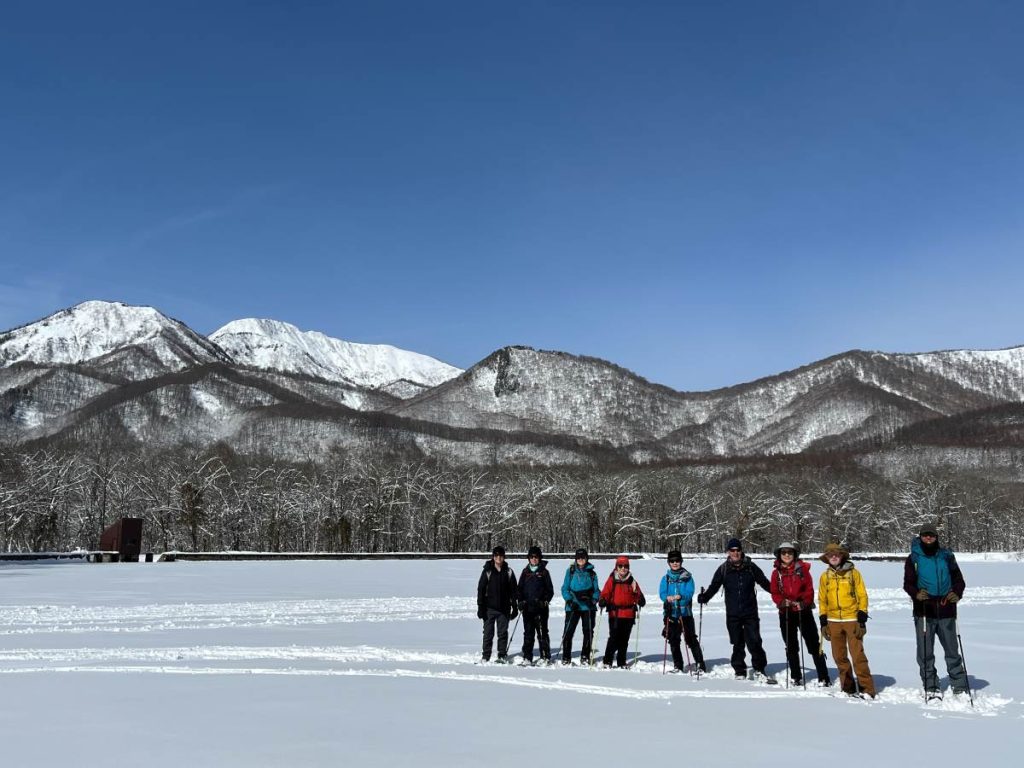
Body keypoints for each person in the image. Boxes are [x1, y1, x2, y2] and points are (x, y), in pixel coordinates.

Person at [903, 522, 968, 698]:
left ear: (936, 536)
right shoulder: (913, 558)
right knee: (925, 652)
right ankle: (931, 685)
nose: (928, 537)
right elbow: (907, 583)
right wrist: (917, 593)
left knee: (952, 651)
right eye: (925, 535)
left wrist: (957, 593)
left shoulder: (946, 555)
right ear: (921, 536)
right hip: (924, 610)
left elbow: (959, 580)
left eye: (931, 534)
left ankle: (960, 686)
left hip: (946, 609)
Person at [697, 538, 775, 683]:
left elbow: (764, 582)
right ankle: (740, 670)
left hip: (750, 612)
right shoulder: (723, 569)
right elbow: (714, 585)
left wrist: (778, 594)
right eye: (732, 550)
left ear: (741, 551)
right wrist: (705, 597)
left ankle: (759, 669)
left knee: (754, 641)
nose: (735, 553)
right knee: (737, 642)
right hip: (733, 613)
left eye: (737, 550)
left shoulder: (751, 567)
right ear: (728, 552)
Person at [818, 542, 875, 698]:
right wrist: (823, 621)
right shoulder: (825, 577)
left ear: (842, 556)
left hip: (852, 620)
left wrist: (862, 617)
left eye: (837, 554)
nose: (834, 557)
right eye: (830, 555)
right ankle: (848, 687)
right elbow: (822, 599)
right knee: (839, 657)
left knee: (857, 656)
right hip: (833, 621)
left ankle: (866, 689)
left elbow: (862, 595)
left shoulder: (853, 573)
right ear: (827, 558)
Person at [770, 541, 831, 686]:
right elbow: (775, 592)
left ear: (794, 554)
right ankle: (796, 676)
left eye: (789, 552)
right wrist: (781, 602)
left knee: (813, 645)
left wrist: (803, 603)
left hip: (803, 612)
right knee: (791, 646)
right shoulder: (776, 573)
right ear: (779, 555)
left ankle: (824, 676)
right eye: (783, 553)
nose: (786, 555)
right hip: (785, 612)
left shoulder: (803, 570)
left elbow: (809, 589)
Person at [659, 549, 706, 673]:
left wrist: (681, 597)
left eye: (677, 561)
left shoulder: (687, 577)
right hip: (671, 613)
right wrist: (666, 598)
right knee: (673, 640)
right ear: (668, 563)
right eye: (672, 561)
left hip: (685, 614)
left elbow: (689, 593)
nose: (675, 563)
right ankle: (678, 666)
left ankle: (700, 665)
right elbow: (662, 593)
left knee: (691, 639)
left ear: (681, 561)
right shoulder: (666, 578)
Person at [598, 555, 646, 667]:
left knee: (624, 640)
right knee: (613, 638)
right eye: (620, 566)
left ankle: (621, 662)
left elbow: (638, 595)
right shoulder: (612, 579)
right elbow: (605, 593)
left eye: (625, 566)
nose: (623, 568)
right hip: (615, 614)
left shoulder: (632, 581)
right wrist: (602, 600)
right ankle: (607, 661)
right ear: (616, 567)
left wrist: (640, 599)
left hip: (629, 615)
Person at [476, 545, 518, 663]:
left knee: (502, 633)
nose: (499, 558)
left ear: (504, 557)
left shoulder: (509, 572)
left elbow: (514, 591)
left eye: (501, 556)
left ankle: (502, 655)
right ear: (493, 557)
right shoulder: (488, 571)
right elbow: (481, 589)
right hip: (489, 608)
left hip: (504, 609)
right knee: (488, 633)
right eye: (496, 556)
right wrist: (480, 607)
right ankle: (486, 656)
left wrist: (515, 607)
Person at [560, 548, 601, 664]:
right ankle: (566, 657)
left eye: (583, 558)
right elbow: (565, 589)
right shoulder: (571, 571)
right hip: (573, 606)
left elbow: (597, 591)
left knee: (588, 632)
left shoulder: (592, 573)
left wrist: (593, 600)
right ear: (576, 559)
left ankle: (585, 656)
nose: (581, 560)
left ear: (586, 559)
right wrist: (569, 601)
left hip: (588, 607)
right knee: (568, 632)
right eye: (579, 558)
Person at [518, 545, 555, 665]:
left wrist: (545, 601)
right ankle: (527, 657)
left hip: (541, 608)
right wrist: (521, 601)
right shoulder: (525, 572)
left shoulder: (544, 572)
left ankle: (545, 656)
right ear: (528, 558)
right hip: (528, 608)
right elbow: (519, 589)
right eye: (532, 557)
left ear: (539, 558)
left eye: (536, 557)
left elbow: (550, 590)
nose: (534, 559)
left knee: (542, 633)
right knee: (528, 634)